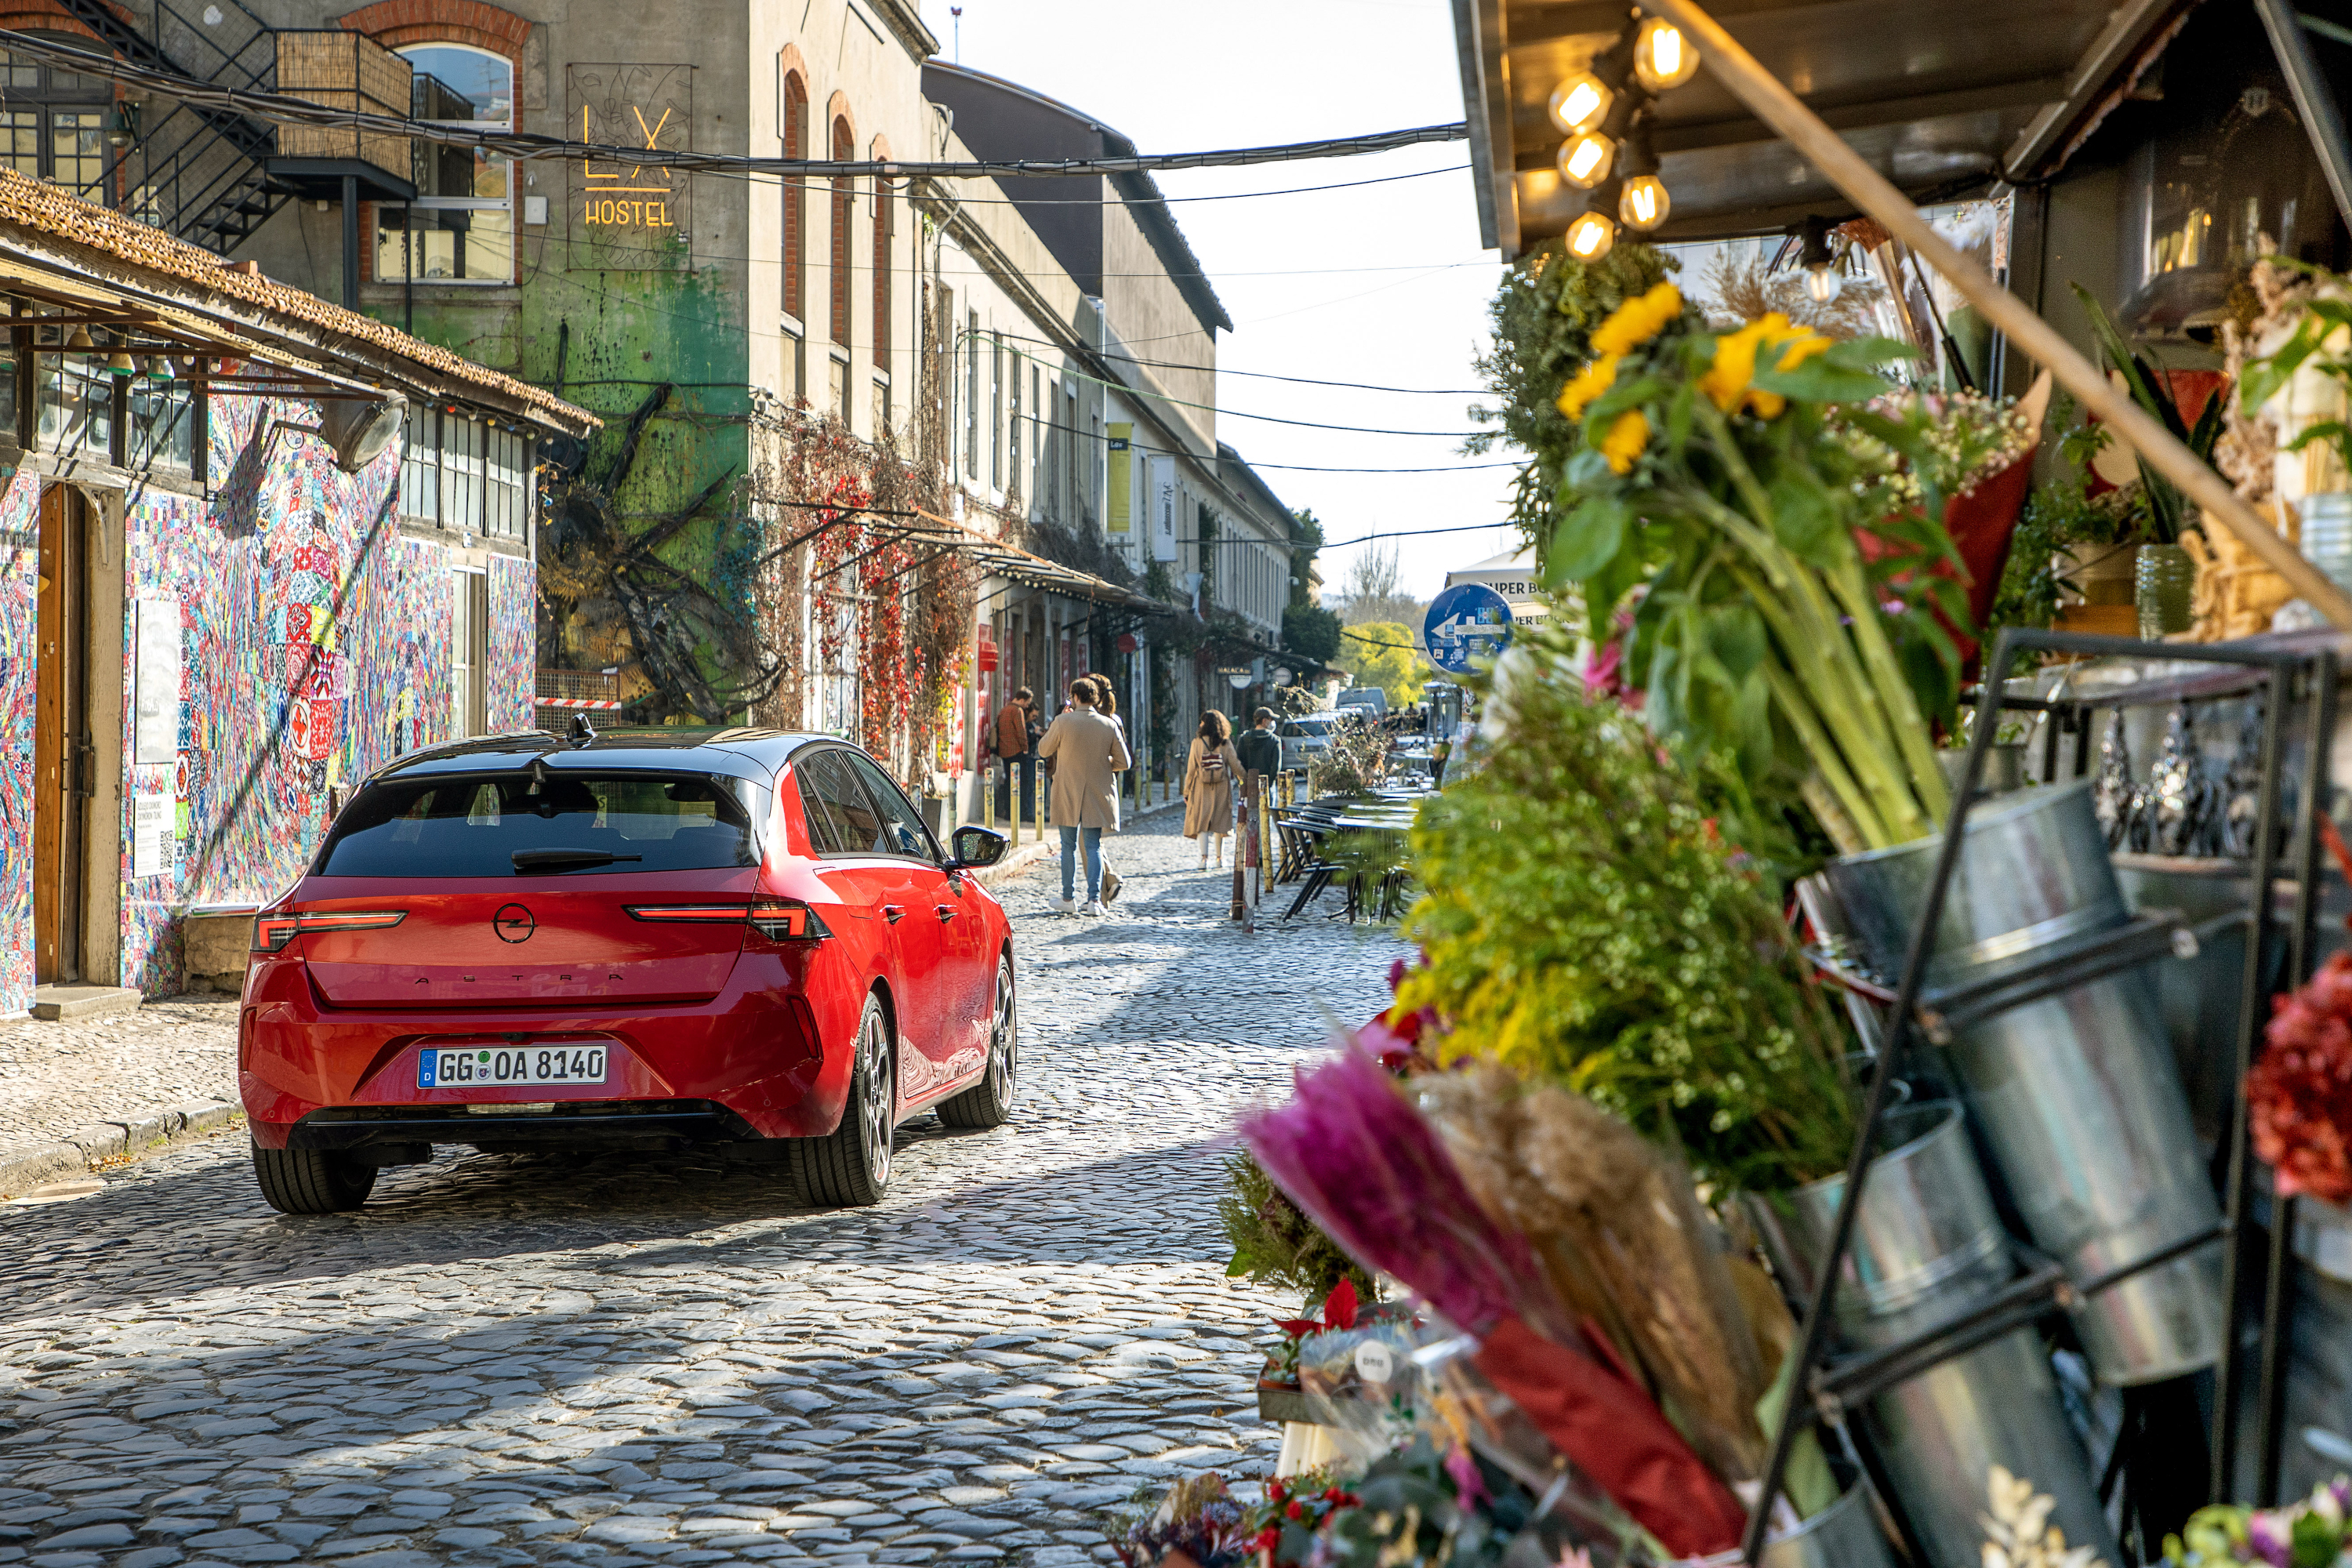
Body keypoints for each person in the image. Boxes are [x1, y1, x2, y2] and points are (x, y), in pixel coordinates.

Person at [1036, 677, 1132, 915]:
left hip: (1067, 789)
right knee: (1093, 846)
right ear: (1095, 698)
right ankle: (1094, 901)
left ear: (1075, 697)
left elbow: (1043, 750)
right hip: (1098, 791)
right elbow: (1124, 762)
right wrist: (1102, 761)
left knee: (1067, 846)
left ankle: (1068, 898)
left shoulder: (1062, 721)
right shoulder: (1108, 725)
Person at [1183, 710, 1242, 871]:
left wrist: (1186, 790)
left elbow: (1191, 768)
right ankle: (1220, 858)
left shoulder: (1197, 742)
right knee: (1220, 822)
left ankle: (1204, 859)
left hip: (1201, 787)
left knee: (1202, 822)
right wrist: (1245, 779)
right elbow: (1235, 764)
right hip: (1222, 786)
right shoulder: (1225, 742)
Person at [993, 686, 1032, 821]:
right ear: (1022, 700)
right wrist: (1025, 748)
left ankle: (1009, 812)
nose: (1027, 706)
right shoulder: (1017, 711)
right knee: (1022, 783)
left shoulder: (1004, 710)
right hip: (1017, 751)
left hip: (1004, 752)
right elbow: (1021, 732)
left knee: (1010, 782)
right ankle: (1021, 813)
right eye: (1027, 703)